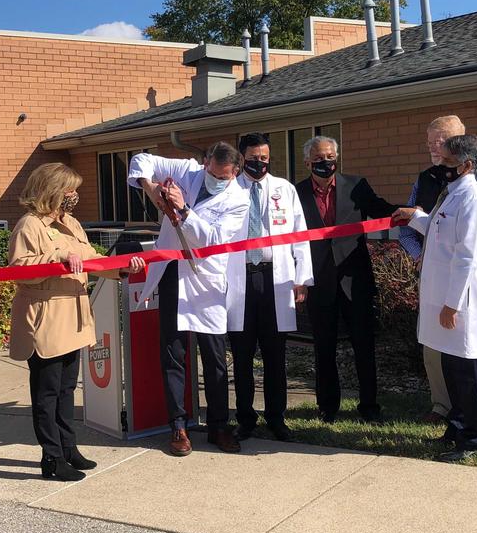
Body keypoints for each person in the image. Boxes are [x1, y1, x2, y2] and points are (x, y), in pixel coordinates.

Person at [8, 163, 146, 481]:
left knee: (67, 389)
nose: (74, 196)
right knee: (47, 393)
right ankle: (52, 457)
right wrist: (55, 258)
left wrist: (123, 268)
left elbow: (92, 260)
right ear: (52, 189)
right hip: (46, 317)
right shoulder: (30, 225)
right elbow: (19, 268)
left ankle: (68, 448)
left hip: (75, 316)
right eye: (69, 190)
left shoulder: (71, 223)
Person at [128, 142, 250, 456]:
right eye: (211, 172)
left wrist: (183, 210)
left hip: (207, 280)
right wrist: (151, 189)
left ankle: (218, 426)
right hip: (173, 273)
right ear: (206, 162)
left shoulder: (239, 199)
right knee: (173, 352)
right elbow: (141, 159)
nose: (214, 179)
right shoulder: (188, 171)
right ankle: (178, 426)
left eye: (222, 176)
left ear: (235, 173)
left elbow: (212, 240)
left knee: (215, 357)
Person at [392, 134, 477, 462]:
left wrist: (452, 304)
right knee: (451, 367)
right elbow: (440, 231)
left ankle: (475, 436)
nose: (442, 167)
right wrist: (413, 217)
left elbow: (467, 256)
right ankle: (457, 426)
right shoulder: (451, 194)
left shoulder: (472, 199)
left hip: (461, 300)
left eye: (448, 162)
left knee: (467, 368)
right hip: (443, 296)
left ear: (467, 165)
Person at [296, 136, 397, 423]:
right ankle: (327, 407)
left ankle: (369, 407)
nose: (326, 162)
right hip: (318, 280)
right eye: (319, 158)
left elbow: (381, 209)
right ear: (307, 162)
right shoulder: (296, 193)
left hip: (355, 279)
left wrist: (410, 212)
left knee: (364, 344)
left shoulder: (356, 186)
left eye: (330, 157)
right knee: (324, 346)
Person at [227, 133, 313, 442]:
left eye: (264, 158)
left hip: (275, 279)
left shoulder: (284, 189)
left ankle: (277, 418)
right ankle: (245, 419)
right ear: (241, 158)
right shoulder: (228, 189)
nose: (260, 163)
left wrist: (302, 279)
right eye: (254, 158)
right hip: (239, 279)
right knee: (242, 354)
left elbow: (300, 234)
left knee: (275, 354)